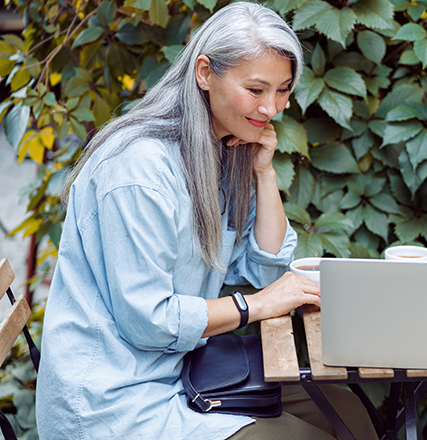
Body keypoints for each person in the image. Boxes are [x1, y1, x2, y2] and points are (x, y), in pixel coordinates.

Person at [35, 3, 377, 440]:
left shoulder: (217, 149)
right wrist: (257, 306)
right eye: (256, 90)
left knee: (350, 416)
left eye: (284, 89)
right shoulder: (139, 171)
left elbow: (261, 268)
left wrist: (264, 172)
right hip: (115, 400)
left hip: (184, 368)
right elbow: (149, 321)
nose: (272, 107)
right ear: (204, 73)